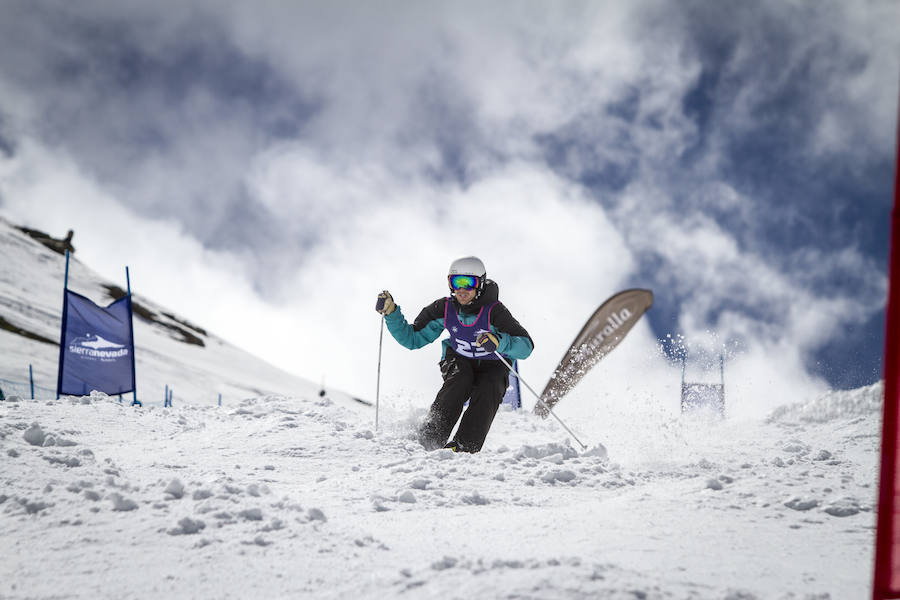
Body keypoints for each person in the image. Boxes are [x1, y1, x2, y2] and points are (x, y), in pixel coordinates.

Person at [376, 256, 533, 453]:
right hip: (459, 358)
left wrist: (499, 341)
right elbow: (413, 339)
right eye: (456, 282)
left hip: (493, 363)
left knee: (490, 385)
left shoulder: (495, 312)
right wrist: (392, 314)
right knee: (461, 378)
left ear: (481, 284)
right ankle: (430, 436)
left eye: (469, 282)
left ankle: (463, 446)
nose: (462, 289)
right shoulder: (445, 308)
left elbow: (526, 346)